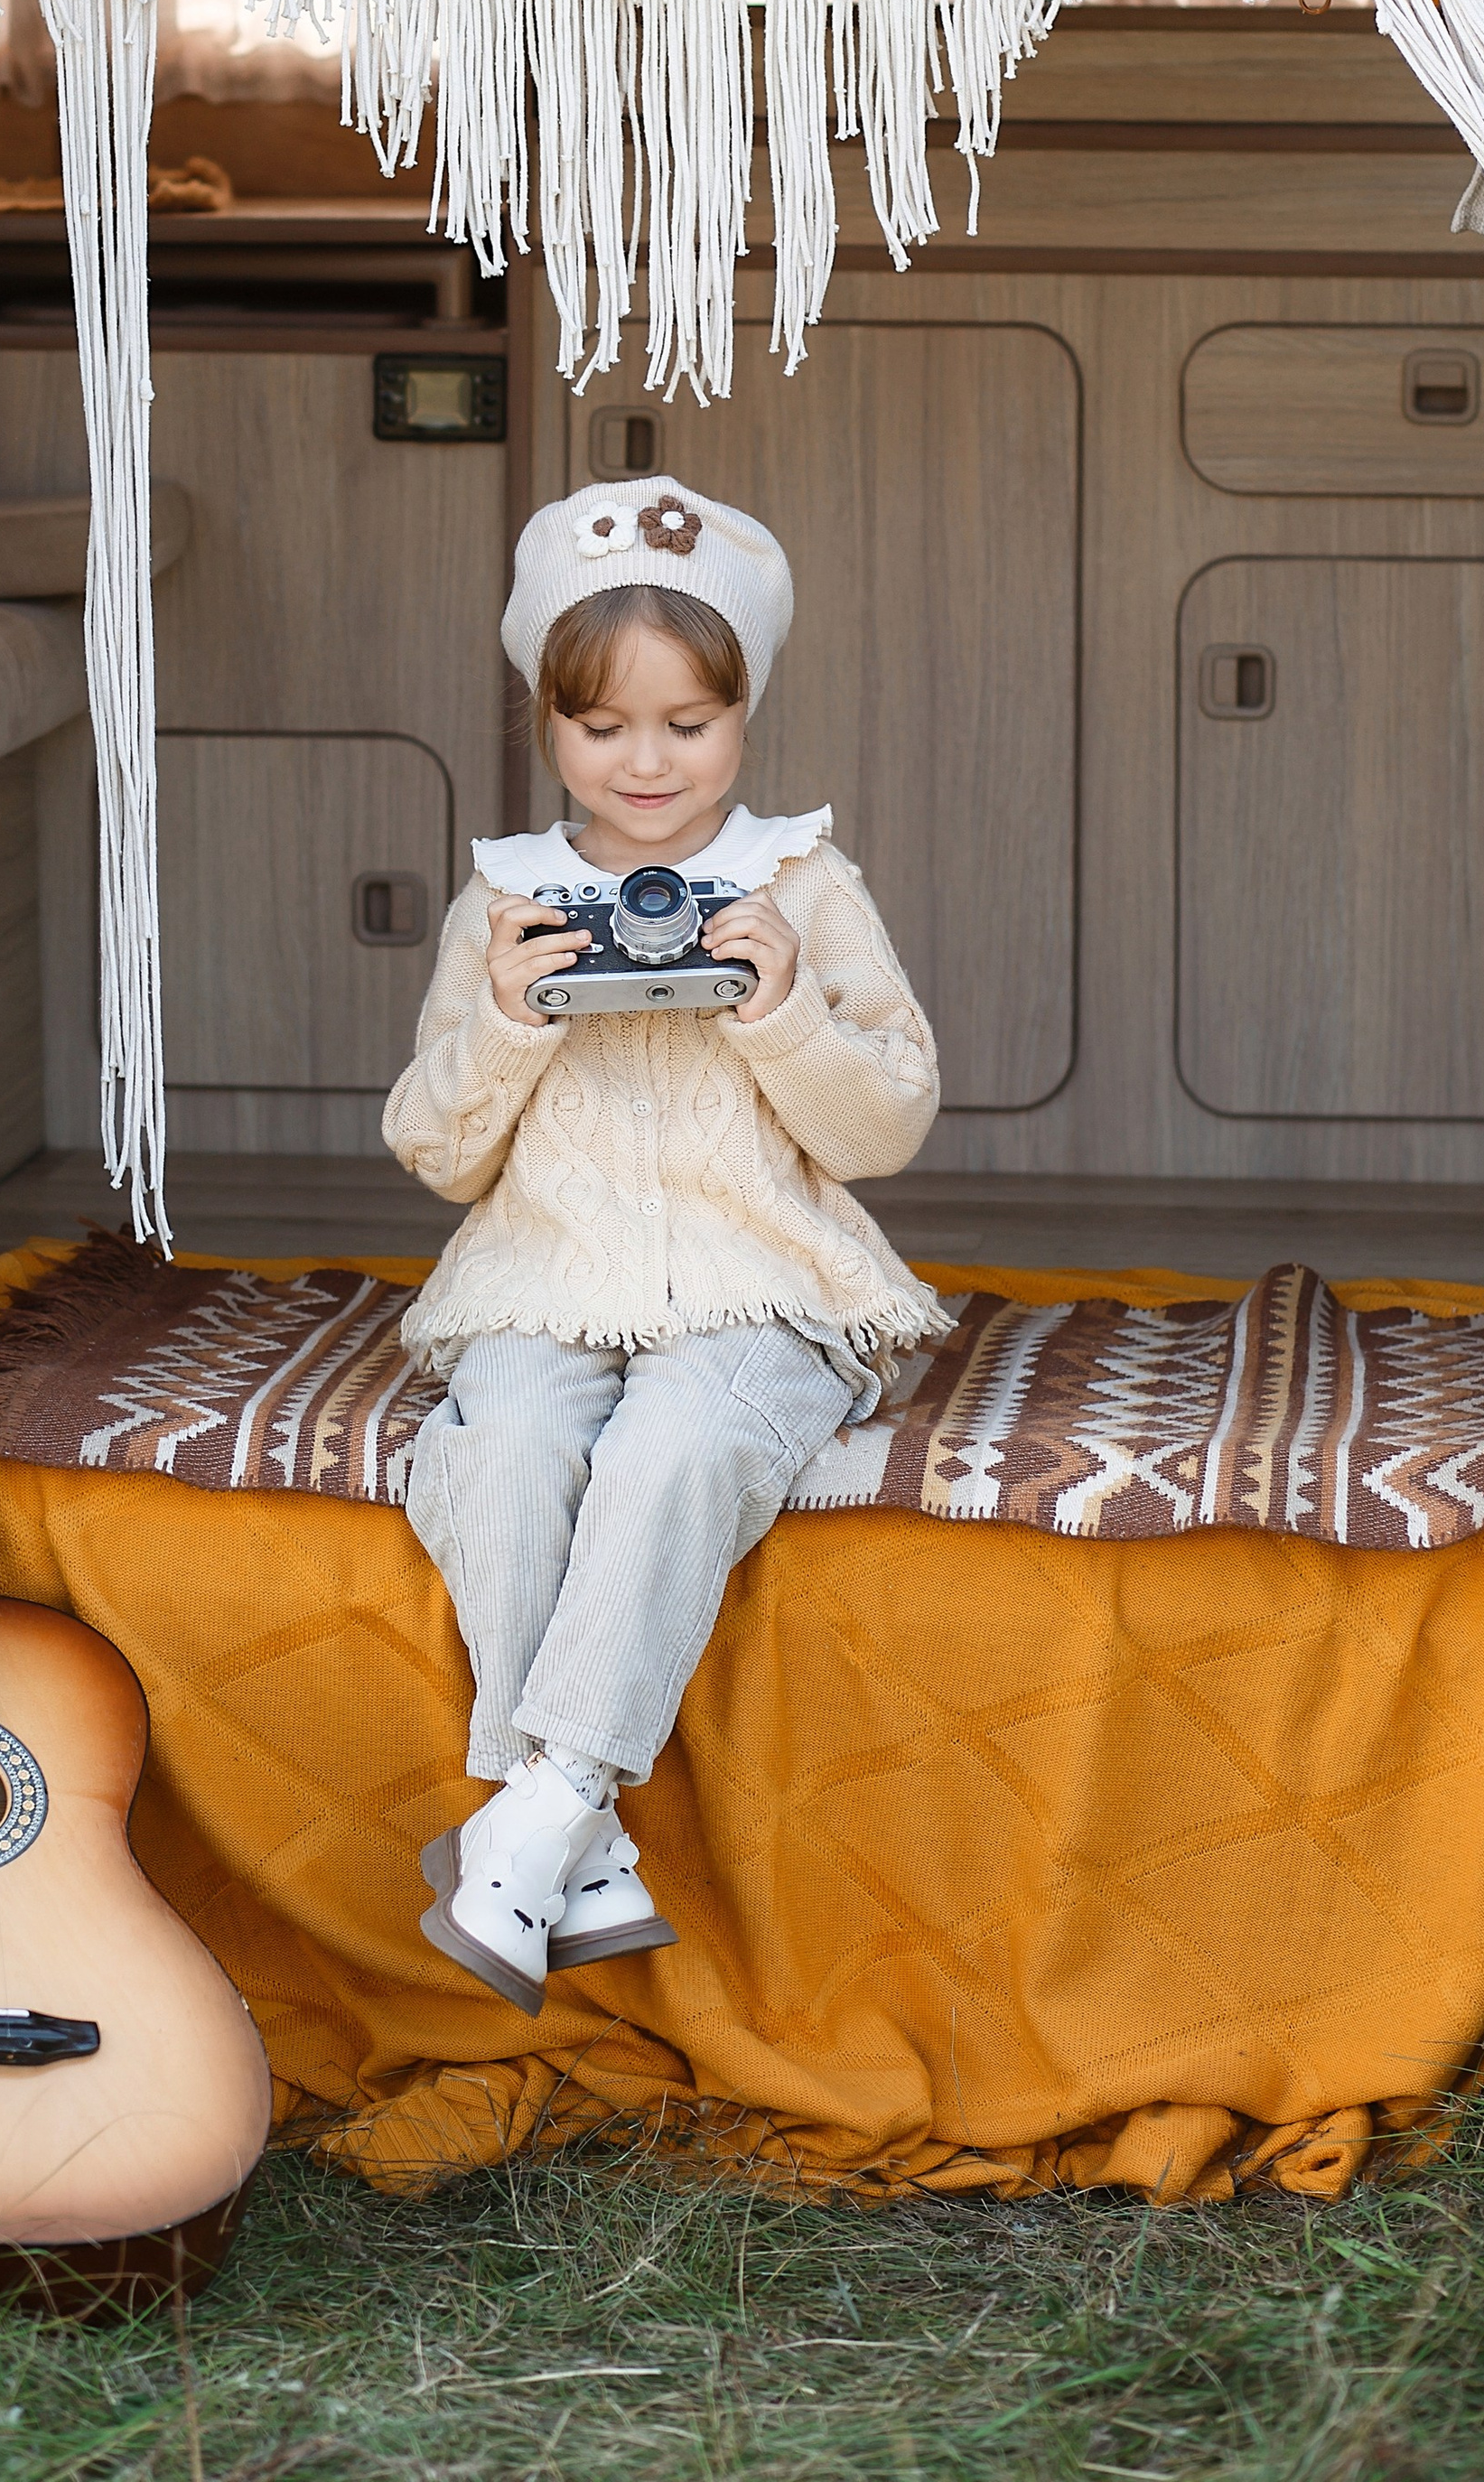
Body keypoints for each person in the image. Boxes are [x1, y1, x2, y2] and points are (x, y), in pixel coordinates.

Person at [382, 475, 943, 2010]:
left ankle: (535, 1817)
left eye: (688, 727)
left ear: (745, 712)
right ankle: (580, 1838)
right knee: (502, 1455)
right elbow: (435, 1154)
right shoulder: (503, 903)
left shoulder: (801, 886)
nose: (645, 766)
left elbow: (887, 1126)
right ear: (543, 721)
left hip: (760, 1280)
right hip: (540, 1283)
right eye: (601, 727)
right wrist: (504, 1016)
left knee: (680, 1446)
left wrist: (782, 1010)